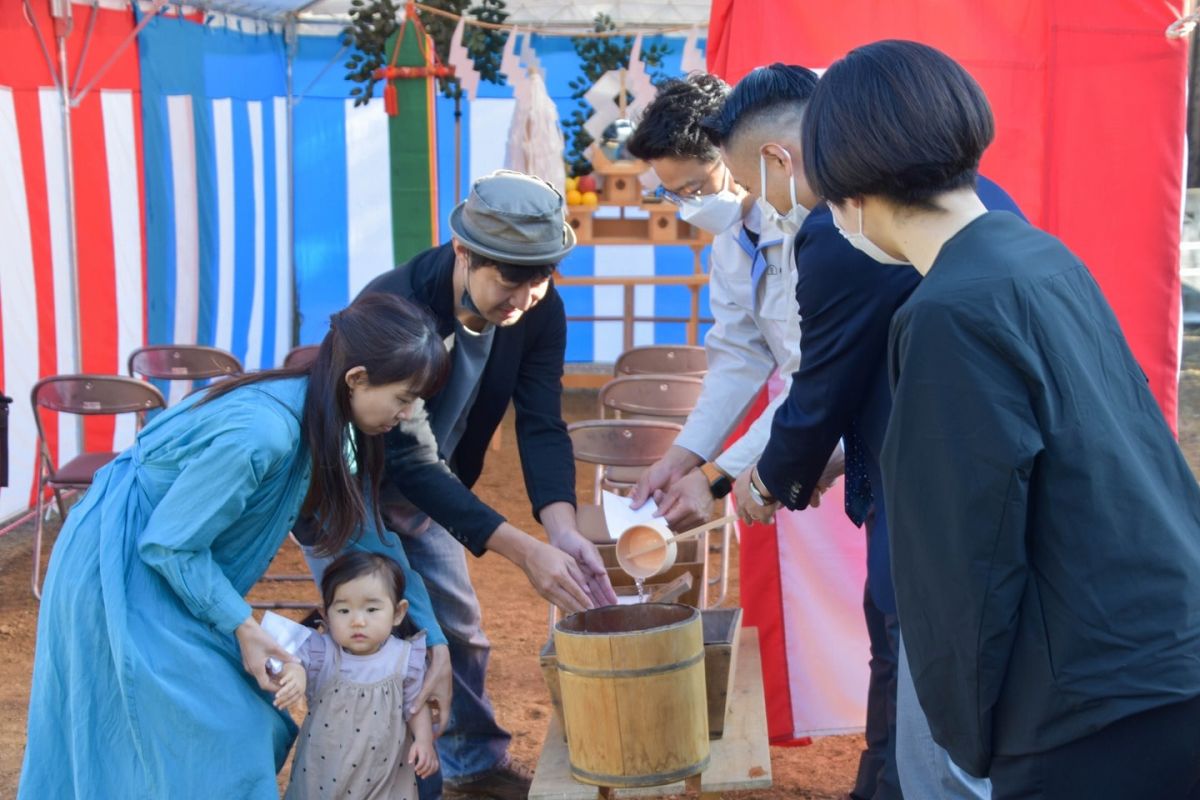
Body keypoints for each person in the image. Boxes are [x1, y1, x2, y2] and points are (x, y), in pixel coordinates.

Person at [803, 39, 1200, 799]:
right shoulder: (1040, 257)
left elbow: (965, 561)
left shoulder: (948, 310)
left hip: (1087, 711)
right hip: (1168, 652)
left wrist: (967, 744)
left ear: (849, 192)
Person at [715, 64, 1024, 800]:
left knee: (925, 675)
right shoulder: (996, 213)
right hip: (970, 482)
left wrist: (769, 479)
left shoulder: (837, 234)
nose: (762, 208)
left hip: (936, 512)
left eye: (755, 190)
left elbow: (820, 386)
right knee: (905, 662)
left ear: (780, 160)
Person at [18, 293, 452, 798]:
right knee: (213, 734)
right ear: (356, 379)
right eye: (403, 397)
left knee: (200, 736)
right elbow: (170, 544)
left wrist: (435, 643)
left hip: (169, 570)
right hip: (115, 570)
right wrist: (242, 625)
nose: (407, 413)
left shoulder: (324, 420)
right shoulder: (263, 433)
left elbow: (367, 536)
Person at [300, 169, 618, 800]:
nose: (526, 296)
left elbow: (541, 420)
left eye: (541, 277)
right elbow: (410, 459)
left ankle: (472, 764)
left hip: (434, 494)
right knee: (382, 640)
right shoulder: (397, 307)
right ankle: (380, 779)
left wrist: (561, 526)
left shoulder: (538, 308)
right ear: (464, 252)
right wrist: (525, 551)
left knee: (463, 630)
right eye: (511, 278)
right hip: (347, 494)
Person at [622, 72, 800, 530]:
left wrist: (716, 475)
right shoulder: (730, 241)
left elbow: (815, 375)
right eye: (674, 195)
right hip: (809, 435)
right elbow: (739, 356)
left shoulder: (803, 226)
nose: (690, 205)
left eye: (697, 188)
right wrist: (683, 458)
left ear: (730, 152)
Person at [277, 552, 437, 799]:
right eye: (343, 610)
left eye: (372, 609)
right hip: (324, 770)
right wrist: (295, 672)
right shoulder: (322, 651)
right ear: (326, 613)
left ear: (397, 612)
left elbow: (415, 704)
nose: (358, 621)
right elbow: (294, 659)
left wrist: (424, 741)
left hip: (384, 772)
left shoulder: (405, 659)